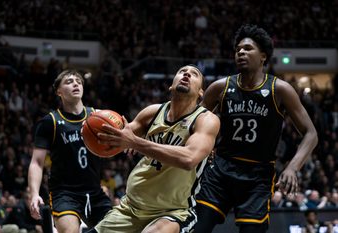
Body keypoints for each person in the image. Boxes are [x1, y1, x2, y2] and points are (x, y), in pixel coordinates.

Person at [194, 24, 318, 233]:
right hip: (221, 170)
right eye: (238, 49)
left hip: (258, 176)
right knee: (196, 228)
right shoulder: (219, 87)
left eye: (248, 48)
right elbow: (192, 124)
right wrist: (203, 147)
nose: (241, 52)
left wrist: (292, 167)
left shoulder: (279, 89)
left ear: (263, 56)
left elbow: (311, 133)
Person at [87, 65, 220, 233]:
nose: (186, 74)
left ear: (201, 92)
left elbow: (188, 159)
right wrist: (95, 129)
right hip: (130, 208)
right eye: (181, 72)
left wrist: (135, 143)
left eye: (194, 74)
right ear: (171, 85)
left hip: (173, 212)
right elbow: (117, 140)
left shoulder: (206, 120)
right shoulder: (152, 112)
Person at [28, 70, 112, 233]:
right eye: (69, 81)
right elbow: (37, 162)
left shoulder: (98, 116)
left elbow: (124, 131)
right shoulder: (50, 122)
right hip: (65, 193)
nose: (75, 83)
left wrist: (128, 141)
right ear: (58, 91)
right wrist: (34, 194)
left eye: (78, 81)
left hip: (95, 191)